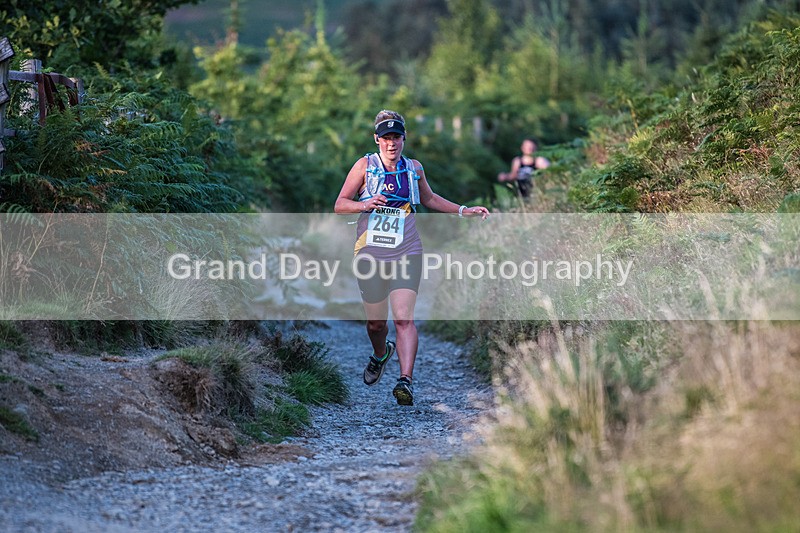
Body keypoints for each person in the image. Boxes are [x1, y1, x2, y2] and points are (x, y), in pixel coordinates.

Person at [334, 110, 489, 406]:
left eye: (397, 137)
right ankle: (381, 354)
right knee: (376, 325)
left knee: (404, 318)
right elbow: (340, 205)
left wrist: (463, 210)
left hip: (407, 248)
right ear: (377, 139)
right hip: (370, 251)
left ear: (404, 139)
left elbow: (429, 199)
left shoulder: (413, 168)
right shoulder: (364, 166)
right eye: (387, 138)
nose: (392, 143)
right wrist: (365, 204)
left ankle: (405, 381)